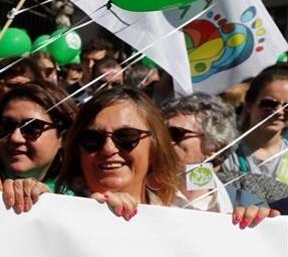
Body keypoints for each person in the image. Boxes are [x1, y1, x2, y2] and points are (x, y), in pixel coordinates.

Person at [55, 87, 275, 228]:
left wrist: (261, 232)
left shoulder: (209, 210)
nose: (108, 148)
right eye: (92, 138)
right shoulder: (53, 211)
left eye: (127, 137)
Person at [161, 93, 288, 211]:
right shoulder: (143, 194)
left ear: (213, 147)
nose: (162, 141)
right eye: (159, 133)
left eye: (175, 133)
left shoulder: (247, 204)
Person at [0, 82, 76, 193]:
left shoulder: (84, 197)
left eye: (32, 127)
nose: (15, 138)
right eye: (7, 125)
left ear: (64, 138)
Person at [229, 65, 288, 185]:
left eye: (287, 107)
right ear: (250, 103)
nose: (278, 112)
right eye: (269, 103)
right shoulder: (222, 153)